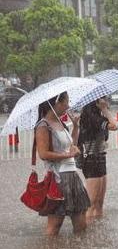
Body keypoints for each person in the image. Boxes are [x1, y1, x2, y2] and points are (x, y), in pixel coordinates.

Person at [35, 92, 90, 236]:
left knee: (81, 223)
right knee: (55, 224)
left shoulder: (62, 124)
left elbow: (71, 145)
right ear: (57, 103)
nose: (68, 105)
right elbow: (43, 154)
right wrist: (67, 155)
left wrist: (76, 127)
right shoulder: (43, 126)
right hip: (58, 178)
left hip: (72, 175)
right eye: (66, 102)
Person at [79, 97, 118, 222]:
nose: (106, 100)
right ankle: (87, 234)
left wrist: (103, 110)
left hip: (100, 157)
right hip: (91, 159)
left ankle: (98, 231)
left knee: (99, 203)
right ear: (96, 101)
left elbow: (106, 133)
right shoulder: (90, 116)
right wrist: (105, 110)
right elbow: (114, 126)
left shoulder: (98, 115)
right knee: (91, 204)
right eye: (103, 98)